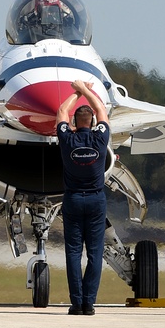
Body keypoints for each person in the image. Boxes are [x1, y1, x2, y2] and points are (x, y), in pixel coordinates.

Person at [55, 79, 110, 315]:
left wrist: (75, 93)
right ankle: (89, 304)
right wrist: (85, 90)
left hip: (73, 200)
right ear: (94, 123)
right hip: (97, 200)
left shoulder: (67, 139)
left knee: (74, 253)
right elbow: (101, 110)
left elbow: (61, 112)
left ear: (75, 123)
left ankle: (76, 304)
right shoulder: (100, 138)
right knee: (95, 253)